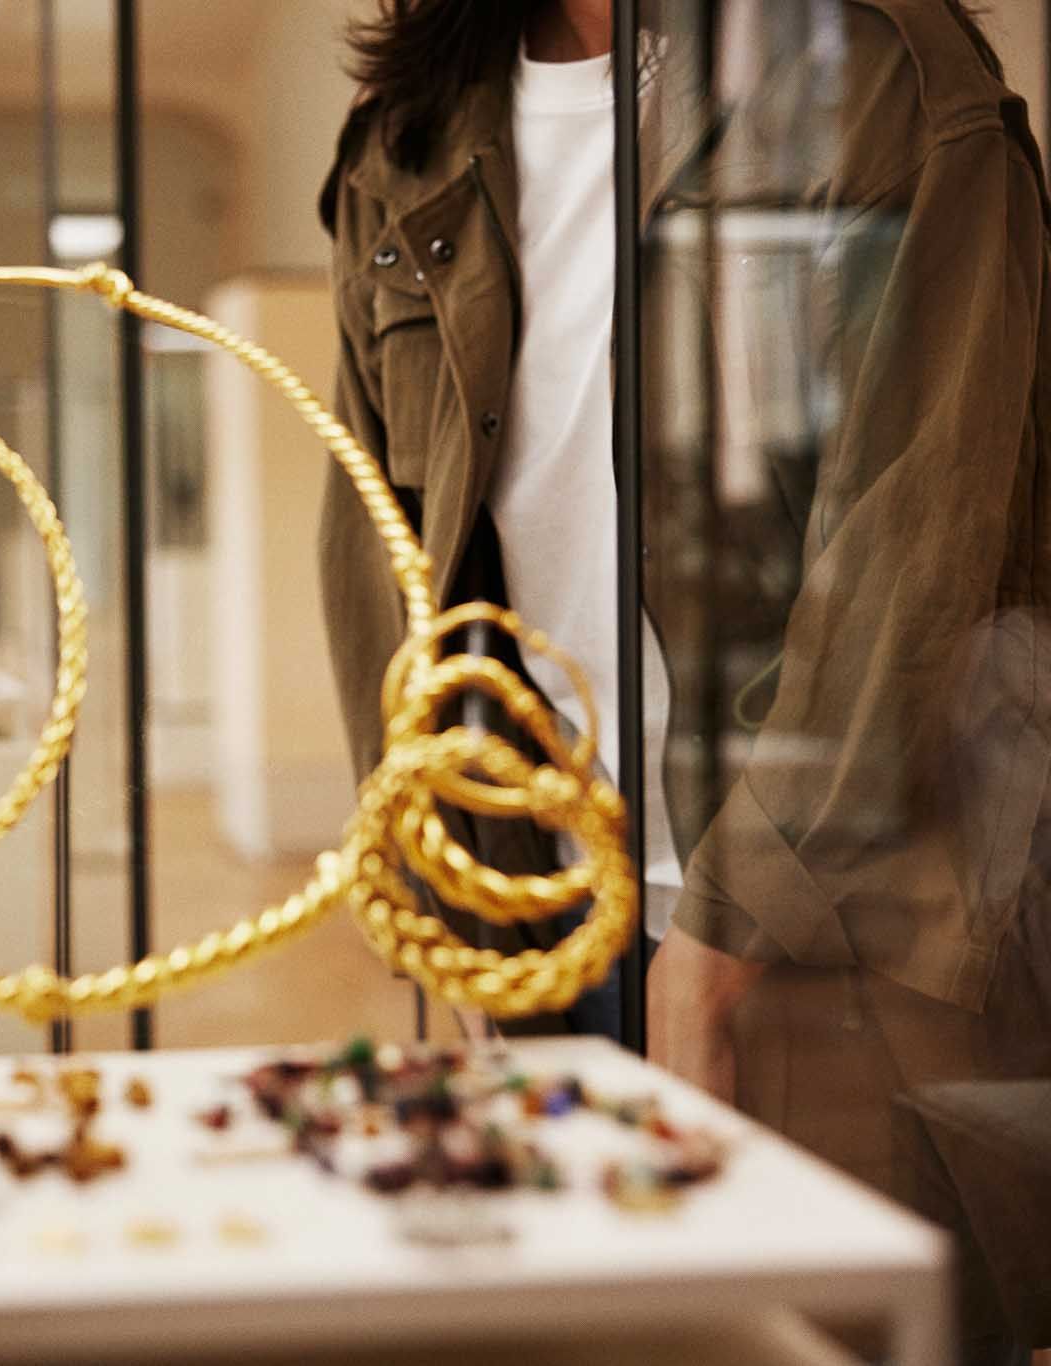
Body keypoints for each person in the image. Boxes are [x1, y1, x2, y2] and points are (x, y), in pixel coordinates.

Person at [321, 2, 1049, 1359]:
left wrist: (720, 938)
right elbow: (377, 549)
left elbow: (921, 531)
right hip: (543, 915)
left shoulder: (881, 71)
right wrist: (457, 895)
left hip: (834, 925)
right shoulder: (406, 139)